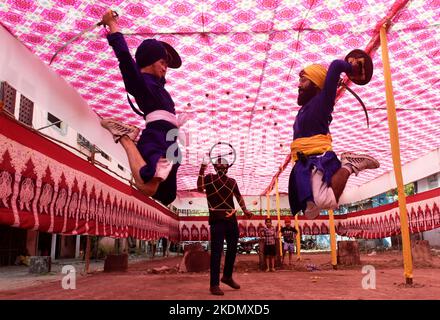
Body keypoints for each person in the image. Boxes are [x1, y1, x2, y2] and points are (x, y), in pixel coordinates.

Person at [99, 9, 183, 206]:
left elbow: (165, 65)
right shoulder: (140, 83)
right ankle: (126, 138)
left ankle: (130, 135)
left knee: (167, 195)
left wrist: (164, 53)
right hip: (155, 138)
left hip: (171, 141)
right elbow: (125, 58)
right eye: (162, 62)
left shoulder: (160, 87)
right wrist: (112, 25)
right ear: (149, 62)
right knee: (147, 185)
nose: (165, 68)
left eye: (166, 65)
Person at [289, 56, 380, 219]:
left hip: (317, 158)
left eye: (303, 80)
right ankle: (346, 167)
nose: (299, 85)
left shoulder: (322, 102)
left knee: (325, 201)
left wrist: (351, 68)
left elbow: (337, 65)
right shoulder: (304, 109)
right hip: (303, 162)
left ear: (316, 83)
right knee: (310, 212)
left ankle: (350, 165)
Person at [197, 157, 253, 296]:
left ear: (228, 168)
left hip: (231, 220)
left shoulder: (232, 182)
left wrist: (245, 210)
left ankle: (227, 277)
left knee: (233, 249)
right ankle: (214, 285)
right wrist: (202, 168)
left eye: (224, 165)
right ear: (215, 167)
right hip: (217, 220)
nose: (221, 167)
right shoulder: (209, 178)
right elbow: (199, 187)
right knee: (216, 252)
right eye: (219, 165)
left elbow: (239, 197)